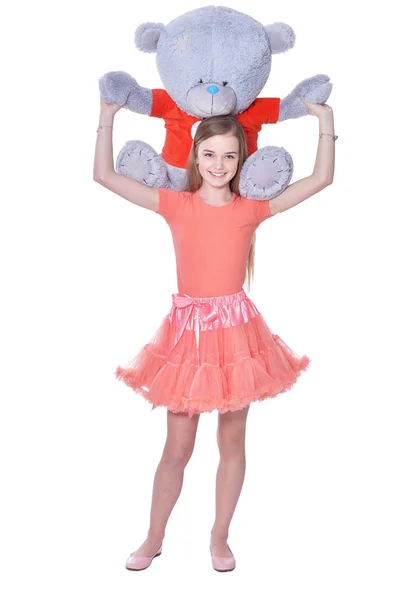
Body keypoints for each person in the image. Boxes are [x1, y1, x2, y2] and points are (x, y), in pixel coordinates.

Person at [93, 97, 335, 572]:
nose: (219, 164)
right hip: (187, 342)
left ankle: (219, 537)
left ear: (241, 159)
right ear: (195, 156)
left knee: (232, 442)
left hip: (236, 339)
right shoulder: (176, 204)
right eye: (210, 154)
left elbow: (320, 180)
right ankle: (153, 536)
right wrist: (107, 116)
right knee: (176, 449)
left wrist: (325, 122)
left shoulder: (250, 209)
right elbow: (104, 176)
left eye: (229, 155)